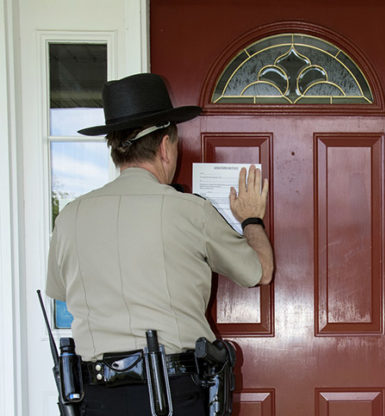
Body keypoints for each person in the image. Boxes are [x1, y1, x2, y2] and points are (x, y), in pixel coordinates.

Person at [45, 73, 274, 415]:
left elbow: (62, 293)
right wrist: (252, 219)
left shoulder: (69, 218)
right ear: (165, 147)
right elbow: (259, 271)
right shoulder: (189, 210)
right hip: (171, 395)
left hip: (96, 398)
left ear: (115, 150)